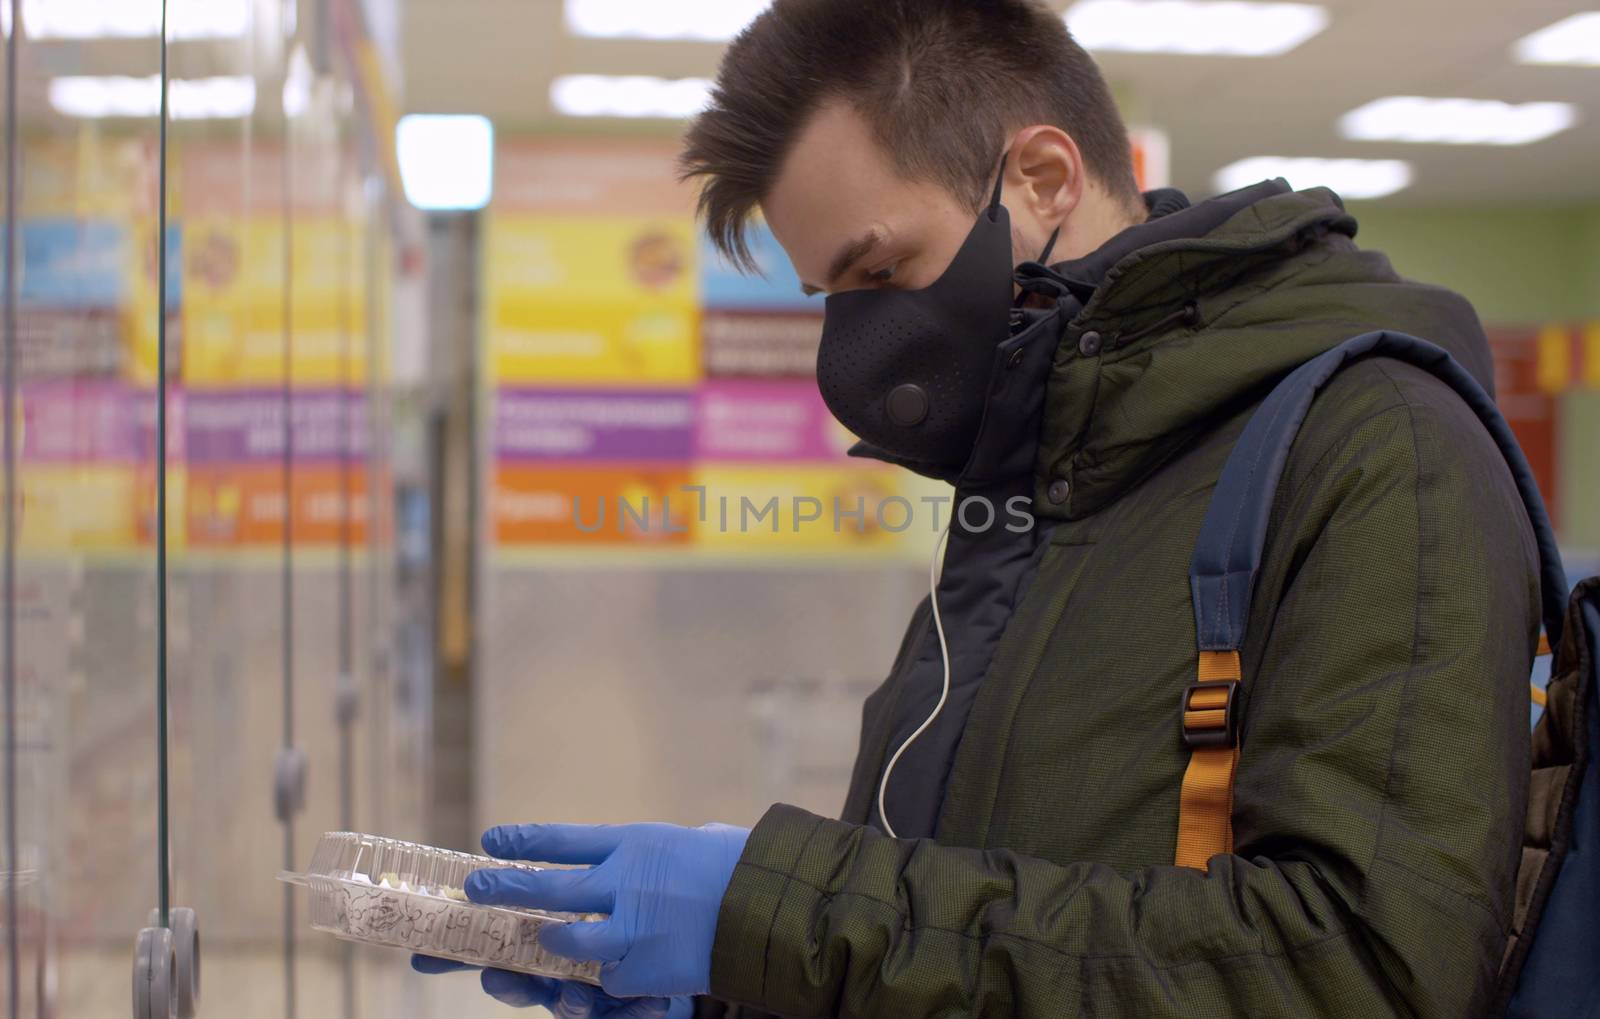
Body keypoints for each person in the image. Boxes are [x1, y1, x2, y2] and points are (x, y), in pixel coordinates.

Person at [416, 0, 1540, 1015]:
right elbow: (951, 913)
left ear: (1043, 179)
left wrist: (771, 910)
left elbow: (1359, 969)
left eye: (880, 272)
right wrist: (736, 981)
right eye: (829, 297)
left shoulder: (1378, 446)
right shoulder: (1036, 486)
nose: (857, 349)